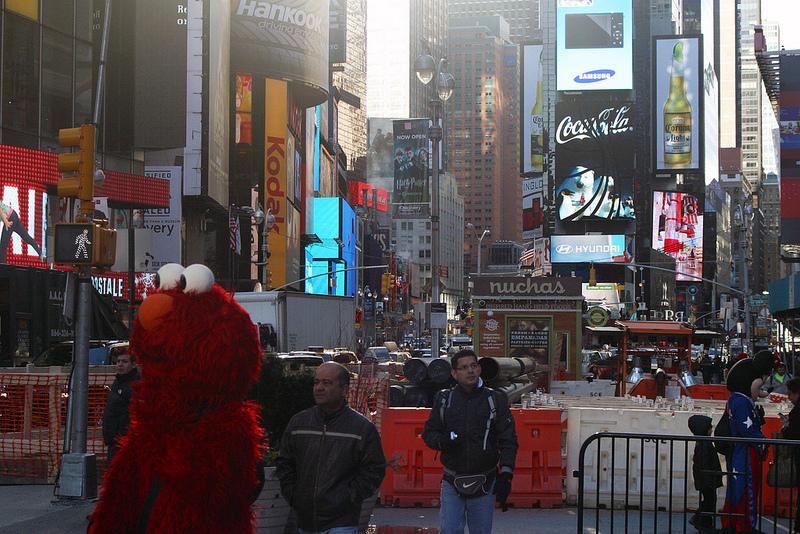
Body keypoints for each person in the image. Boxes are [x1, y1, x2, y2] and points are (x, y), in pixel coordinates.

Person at [276, 362, 386, 534]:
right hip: (305, 521)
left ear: (344, 390)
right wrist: (294, 496)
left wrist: (347, 498)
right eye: (316, 382)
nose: (319, 388)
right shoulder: (299, 423)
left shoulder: (361, 428)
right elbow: (285, 463)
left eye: (327, 383)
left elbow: (374, 470)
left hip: (342, 522)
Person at [422, 350, 518, 534]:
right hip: (452, 481)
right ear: (454, 373)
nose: (470, 371)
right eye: (464, 367)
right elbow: (429, 433)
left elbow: (508, 440)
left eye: (473, 366)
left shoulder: (495, 399)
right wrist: (444, 441)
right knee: (449, 530)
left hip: (485, 483)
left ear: (479, 369)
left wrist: (506, 473)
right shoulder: (444, 399)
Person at [720, 352, 772, 533]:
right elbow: (747, 430)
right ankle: (745, 525)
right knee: (747, 490)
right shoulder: (742, 402)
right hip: (746, 454)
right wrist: (763, 442)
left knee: (738, 490)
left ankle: (734, 522)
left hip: (740, 452)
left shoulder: (737, 399)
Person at [101, 352, 140, 461]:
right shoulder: (117, 383)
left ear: (133, 364)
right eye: (118, 361)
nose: (120, 364)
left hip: (125, 440)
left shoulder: (135, 385)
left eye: (124, 361)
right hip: (114, 440)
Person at [688, 414, 722, 533]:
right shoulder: (704, 444)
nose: (711, 428)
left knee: (709, 500)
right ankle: (701, 521)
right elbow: (704, 462)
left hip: (707, 478)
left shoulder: (703, 443)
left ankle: (704, 522)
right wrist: (709, 479)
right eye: (709, 427)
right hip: (707, 479)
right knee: (710, 501)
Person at [780, 377, 800, 534]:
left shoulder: (796, 412)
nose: (788, 397)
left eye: (790, 393)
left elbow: (792, 433)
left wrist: (786, 427)